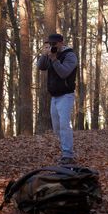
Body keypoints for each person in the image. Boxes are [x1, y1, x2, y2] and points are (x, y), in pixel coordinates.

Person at [37, 33, 78, 165]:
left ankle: (68, 154)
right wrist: (45, 54)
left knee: (64, 125)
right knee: (57, 128)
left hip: (66, 95)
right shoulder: (50, 54)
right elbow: (41, 67)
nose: (52, 46)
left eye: (54, 44)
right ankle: (66, 150)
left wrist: (54, 59)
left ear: (61, 42)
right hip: (54, 97)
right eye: (50, 44)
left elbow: (64, 73)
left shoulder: (70, 55)